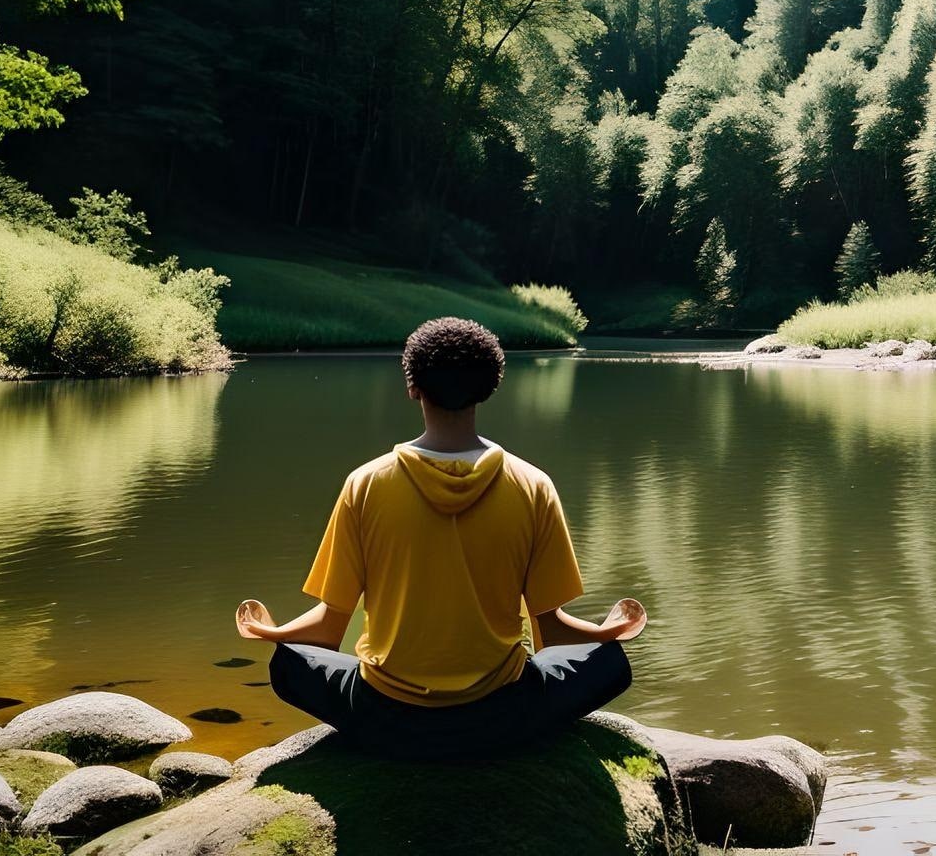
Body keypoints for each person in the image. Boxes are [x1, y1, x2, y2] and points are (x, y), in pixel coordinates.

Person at [234, 316, 644, 759]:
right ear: (490, 387)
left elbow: (328, 631)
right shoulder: (533, 485)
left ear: (413, 386)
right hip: (502, 717)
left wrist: (270, 632)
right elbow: (553, 632)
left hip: (386, 718)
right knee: (609, 663)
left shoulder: (366, 484)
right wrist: (609, 631)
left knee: (289, 664)